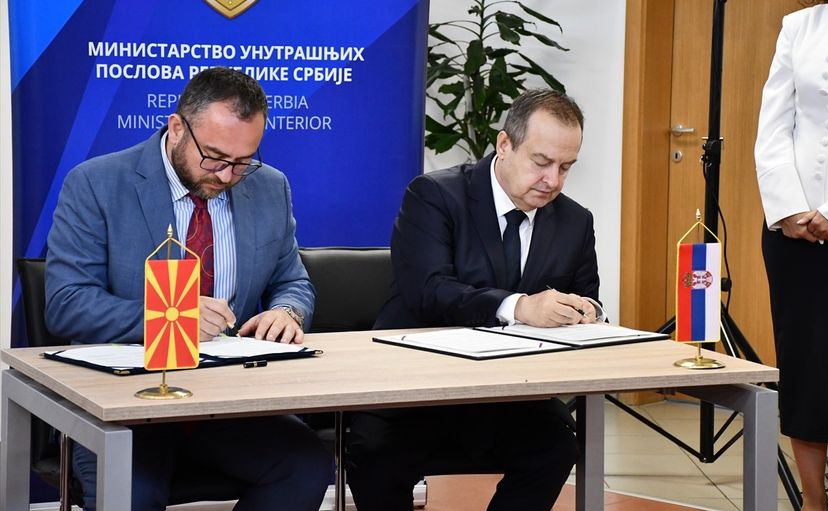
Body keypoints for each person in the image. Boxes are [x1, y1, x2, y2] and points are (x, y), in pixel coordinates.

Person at [45, 67, 331, 511]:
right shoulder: (97, 183)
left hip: (228, 401)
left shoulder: (270, 186)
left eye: (243, 161)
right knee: (134, 494)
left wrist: (287, 311)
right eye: (215, 157)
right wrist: (171, 317)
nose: (228, 175)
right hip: (125, 404)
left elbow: (292, 281)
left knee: (307, 465)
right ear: (177, 127)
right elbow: (67, 303)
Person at [346, 89, 603, 510]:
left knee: (556, 448)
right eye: (541, 162)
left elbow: (589, 299)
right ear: (504, 145)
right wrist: (520, 307)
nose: (553, 180)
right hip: (414, 391)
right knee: (373, 454)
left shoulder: (575, 221)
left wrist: (586, 311)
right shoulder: (434, 195)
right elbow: (428, 290)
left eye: (565, 167)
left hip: (511, 395)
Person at [754, 1, 828, 510]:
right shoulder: (799, 25)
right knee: (805, 368)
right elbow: (773, 124)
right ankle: (814, 502)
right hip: (794, 234)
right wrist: (789, 207)